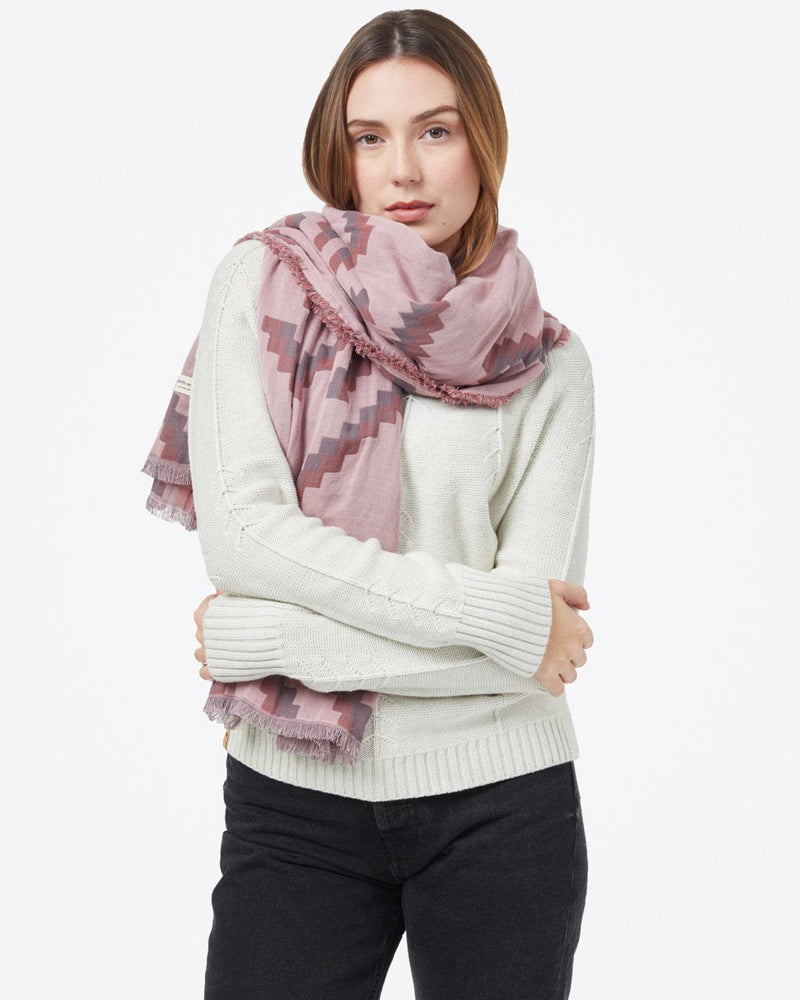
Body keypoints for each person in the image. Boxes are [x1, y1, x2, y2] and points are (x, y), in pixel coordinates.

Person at [143, 9, 596, 999]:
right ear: (338, 151)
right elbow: (245, 539)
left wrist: (265, 638)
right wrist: (499, 624)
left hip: (505, 807)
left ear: (483, 140)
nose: (403, 171)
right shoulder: (262, 286)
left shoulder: (548, 364)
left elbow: (533, 626)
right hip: (292, 804)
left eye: (435, 131)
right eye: (369, 137)